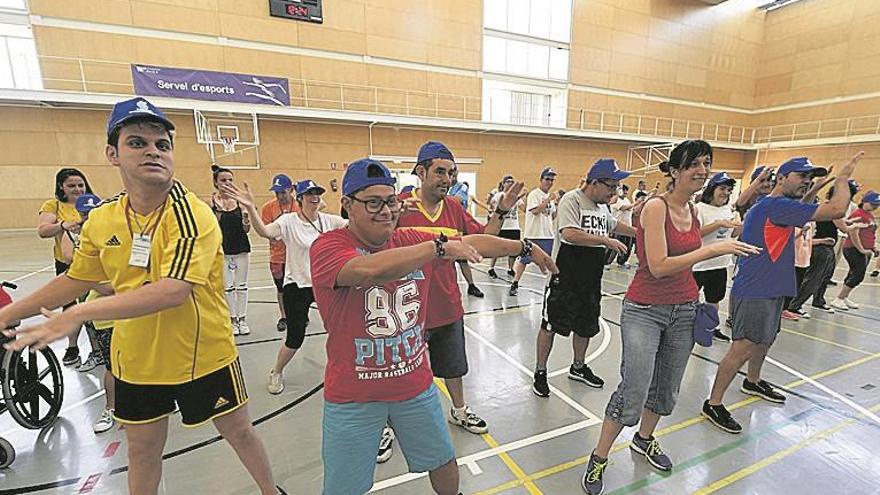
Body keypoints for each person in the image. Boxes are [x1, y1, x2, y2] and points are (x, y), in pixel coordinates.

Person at [0, 97, 284, 495]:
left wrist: (81, 314)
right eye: (137, 142)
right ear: (112, 154)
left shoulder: (191, 212)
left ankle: (271, 491)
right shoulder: (103, 218)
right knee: (143, 452)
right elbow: (76, 278)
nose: (153, 151)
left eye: (162, 144)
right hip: (135, 361)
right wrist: (8, 314)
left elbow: (173, 291)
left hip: (202, 355)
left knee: (239, 432)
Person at [311, 158, 555, 495]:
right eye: (373, 202)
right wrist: (435, 248)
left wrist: (524, 248)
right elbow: (368, 270)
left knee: (443, 461)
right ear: (347, 205)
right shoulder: (328, 246)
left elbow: (471, 242)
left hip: (414, 386)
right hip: (354, 395)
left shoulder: (408, 238)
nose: (385, 210)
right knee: (343, 487)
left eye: (390, 201)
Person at [581, 141, 761, 495]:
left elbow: (689, 243)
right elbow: (659, 266)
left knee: (667, 387)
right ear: (675, 171)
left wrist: (722, 229)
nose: (702, 170)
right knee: (634, 386)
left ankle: (644, 439)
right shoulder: (654, 207)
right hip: (645, 309)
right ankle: (599, 456)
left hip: (684, 309)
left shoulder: (692, 211)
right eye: (694, 163)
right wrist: (712, 249)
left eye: (706, 163)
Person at [703, 153, 863, 435]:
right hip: (757, 290)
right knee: (742, 346)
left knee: (765, 340)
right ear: (781, 178)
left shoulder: (774, 205)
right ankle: (713, 402)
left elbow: (798, 206)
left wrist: (813, 189)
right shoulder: (775, 206)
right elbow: (838, 209)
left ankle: (752, 381)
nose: (806, 181)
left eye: (809, 178)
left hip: (774, 287)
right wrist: (842, 178)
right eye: (801, 176)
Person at [396, 141, 530, 441]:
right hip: (406, 312)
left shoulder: (454, 208)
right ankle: (389, 423)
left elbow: (482, 238)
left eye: (452, 173)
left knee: (453, 367)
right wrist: (390, 212)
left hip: (446, 306)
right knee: (399, 373)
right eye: (440, 172)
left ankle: (459, 410)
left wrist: (503, 209)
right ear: (420, 171)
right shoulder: (401, 205)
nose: (448, 179)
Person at [228, 178, 346, 395]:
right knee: (295, 337)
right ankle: (277, 371)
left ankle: (343, 372)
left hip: (324, 285)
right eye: (309, 194)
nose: (315, 197)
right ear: (299, 198)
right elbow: (264, 231)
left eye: (317, 193)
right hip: (297, 286)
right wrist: (250, 208)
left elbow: (354, 225)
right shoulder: (288, 221)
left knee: (341, 331)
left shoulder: (329, 221)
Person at [533, 159, 636, 398]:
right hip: (564, 277)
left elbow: (613, 224)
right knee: (550, 326)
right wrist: (604, 240)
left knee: (586, 326)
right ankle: (540, 372)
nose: (614, 192)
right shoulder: (572, 200)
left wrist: (641, 231)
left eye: (617, 188)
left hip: (590, 278)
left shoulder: (602, 206)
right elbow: (569, 234)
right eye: (611, 186)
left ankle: (578, 366)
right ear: (594, 182)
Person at [37, 167, 94, 366]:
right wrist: (62, 225)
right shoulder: (53, 205)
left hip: (91, 261)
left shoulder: (91, 202)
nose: (77, 189)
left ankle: (98, 349)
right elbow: (43, 231)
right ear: (61, 186)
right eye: (71, 185)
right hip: (67, 263)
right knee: (70, 307)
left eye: (80, 184)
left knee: (93, 304)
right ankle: (72, 346)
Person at [692, 172, 741, 342]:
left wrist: (740, 226)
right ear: (712, 189)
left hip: (720, 263)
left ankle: (712, 327)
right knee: (691, 299)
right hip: (699, 264)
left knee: (714, 299)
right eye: (722, 188)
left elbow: (731, 234)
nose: (726, 193)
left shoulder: (728, 210)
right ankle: (686, 326)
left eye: (729, 190)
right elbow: (695, 234)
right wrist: (718, 224)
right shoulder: (699, 209)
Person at [211, 165, 252, 335]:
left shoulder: (240, 203)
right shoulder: (211, 203)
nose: (227, 183)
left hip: (241, 249)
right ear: (216, 183)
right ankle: (232, 319)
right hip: (223, 251)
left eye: (230, 180)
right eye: (223, 180)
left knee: (241, 286)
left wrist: (246, 218)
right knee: (227, 287)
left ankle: (242, 319)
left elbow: (247, 229)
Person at [510, 167, 558, 296]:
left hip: (548, 234)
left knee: (550, 261)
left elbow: (552, 216)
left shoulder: (550, 197)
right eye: (547, 179)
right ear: (541, 180)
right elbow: (535, 211)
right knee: (524, 260)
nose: (550, 182)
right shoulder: (535, 194)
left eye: (552, 180)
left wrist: (558, 204)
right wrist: (549, 200)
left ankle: (552, 284)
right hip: (533, 234)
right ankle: (515, 283)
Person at [830, 191, 880, 311]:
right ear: (864, 201)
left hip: (865, 249)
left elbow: (868, 233)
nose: (875, 207)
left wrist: (873, 248)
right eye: (872, 204)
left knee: (854, 273)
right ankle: (839, 299)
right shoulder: (858, 214)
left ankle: (844, 296)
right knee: (858, 274)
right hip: (853, 248)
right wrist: (861, 250)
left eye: (877, 205)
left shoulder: (869, 215)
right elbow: (853, 233)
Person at [260, 174, 298, 332]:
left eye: (283, 192)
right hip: (278, 256)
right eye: (277, 193)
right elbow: (267, 231)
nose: (280, 196)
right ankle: (284, 316)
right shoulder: (268, 208)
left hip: (297, 255)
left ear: (291, 190)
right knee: (281, 288)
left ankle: (300, 313)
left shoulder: (300, 205)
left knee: (299, 287)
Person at [447, 169, 484, 298]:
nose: (451, 175)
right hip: (444, 226)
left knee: (462, 258)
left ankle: (471, 285)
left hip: (458, 228)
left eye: (453, 172)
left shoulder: (461, 186)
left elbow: (456, 200)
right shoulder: (444, 188)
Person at [487, 175, 525, 278]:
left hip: (514, 226)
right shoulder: (499, 195)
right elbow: (492, 206)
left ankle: (510, 268)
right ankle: (491, 268)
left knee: (514, 249)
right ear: (503, 183)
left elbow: (524, 209)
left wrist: (524, 197)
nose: (510, 183)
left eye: (512, 182)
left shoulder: (516, 197)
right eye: (508, 181)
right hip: (502, 226)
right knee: (496, 248)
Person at [608, 184, 635, 268]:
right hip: (617, 228)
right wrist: (636, 202)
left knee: (627, 246)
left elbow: (631, 209)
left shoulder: (627, 199)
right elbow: (623, 208)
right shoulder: (616, 200)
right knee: (613, 247)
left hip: (627, 226)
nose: (626, 192)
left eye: (627, 190)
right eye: (624, 190)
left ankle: (622, 261)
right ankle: (606, 262)